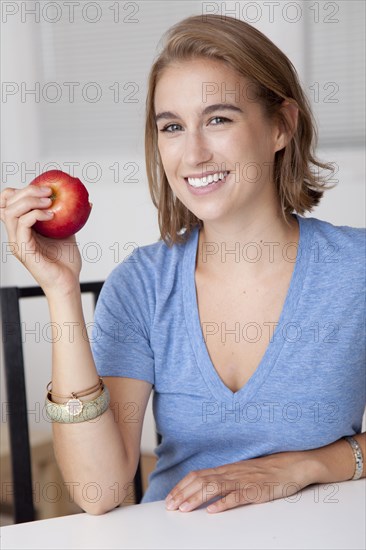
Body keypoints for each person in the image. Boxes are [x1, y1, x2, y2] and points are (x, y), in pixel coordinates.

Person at [1, 14, 365, 515]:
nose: (193, 153)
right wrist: (62, 293)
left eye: (219, 119)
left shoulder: (356, 270)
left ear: (281, 126)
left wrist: (301, 467)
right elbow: (98, 492)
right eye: (172, 127)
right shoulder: (143, 285)